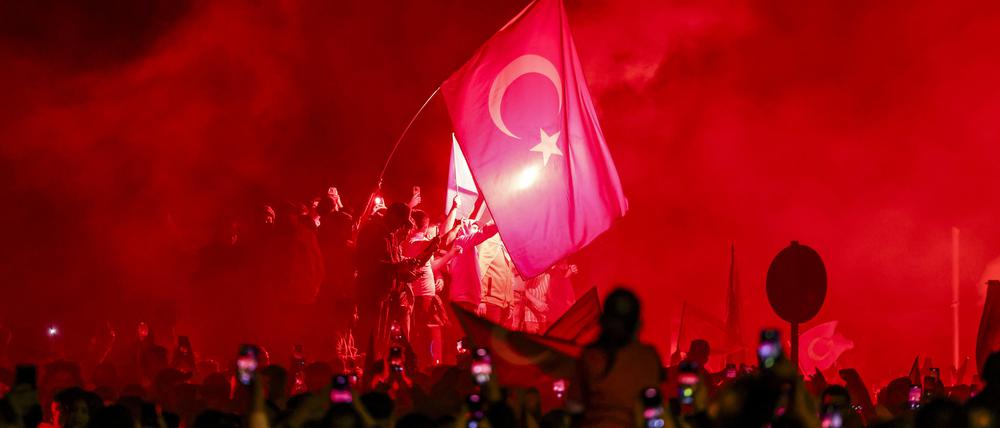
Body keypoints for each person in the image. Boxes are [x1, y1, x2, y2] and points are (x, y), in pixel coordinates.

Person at [567, 288, 664, 427]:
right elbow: (656, 409)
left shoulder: (592, 357)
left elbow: (574, 406)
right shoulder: (648, 358)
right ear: (637, 324)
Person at [355, 202, 438, 355]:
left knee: (380, 341)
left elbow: (391, 264)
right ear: (393, 216)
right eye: (401, 222)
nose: (401, 227)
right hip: (371, 294)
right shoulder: (375, 231)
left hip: (384, 295)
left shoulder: (389, 235)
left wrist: (405, 271)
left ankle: (376, 371)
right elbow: (370, 263)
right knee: (370, 340)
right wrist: (399, 267)